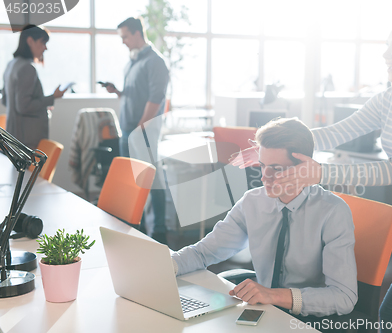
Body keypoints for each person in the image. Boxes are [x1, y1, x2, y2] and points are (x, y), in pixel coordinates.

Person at [232, 2, 392, 332]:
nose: (386, 54)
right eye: (387, 45)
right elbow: (336, 133)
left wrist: (321, 173)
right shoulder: (387, 100)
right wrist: (274, 146)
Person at [172, 118, 357, 332]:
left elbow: (344, 297)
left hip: (307, 317)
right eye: (262, 165)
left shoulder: (333, 212)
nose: (264, 177)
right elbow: (203, 253)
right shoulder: (252, 202)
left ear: (304, 168)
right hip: (265, 309)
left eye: (276, 169)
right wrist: (164, 266)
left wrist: (273, 295)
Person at [103, 17, 169, 244]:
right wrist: (118, 92)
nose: (123, 42)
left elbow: (156, 98)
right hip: (128, 129)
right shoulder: (132, 62)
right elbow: (135, 95)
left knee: (152, 179)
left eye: (125, 37)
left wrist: (141, 128)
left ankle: (159, 229)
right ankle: (134, 227)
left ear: (137, 33)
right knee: (132, 181)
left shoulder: (155, 62)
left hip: (143, 131)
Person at [1, 25, 67, 149]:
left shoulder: (11, 64)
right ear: (30, 41)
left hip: (13, 135)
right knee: (30, 169)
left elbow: (5, 100)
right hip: (26, 140)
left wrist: (40, 106)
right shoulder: (27, 68)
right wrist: (52, 97)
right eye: (43, 43)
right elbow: (23, 106)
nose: (45, 48)